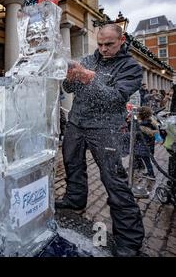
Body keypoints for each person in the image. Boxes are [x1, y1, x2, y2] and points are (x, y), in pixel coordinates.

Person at [55, 24, 145, 257]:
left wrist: (88, 79)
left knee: (113, 180)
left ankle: (129, 240)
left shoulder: (131, 67)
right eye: (100, 44)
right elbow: (68, 87)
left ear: (121, 39)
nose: (103, 49)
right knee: (72, 164)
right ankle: (75, 199)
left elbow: (115, 98)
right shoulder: (87, 59)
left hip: (105, 128)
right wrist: (71, 76)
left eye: (109, 44)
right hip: (76, 122)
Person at [134, 106, 160, 180]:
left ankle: (151, 175)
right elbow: (156, 134)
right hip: (150, 145)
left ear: (140, 115)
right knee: (146, 160)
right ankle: (149, 172)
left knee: (146, 161)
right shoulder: (152, 122)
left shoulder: (141, 125)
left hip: (143, 146)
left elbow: (137, 136)